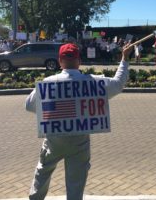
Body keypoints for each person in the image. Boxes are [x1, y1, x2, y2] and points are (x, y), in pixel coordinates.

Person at [25, 42, 133, 200]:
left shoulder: (48, 82)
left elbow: (29, 105)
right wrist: (124, 58)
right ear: (79, 61)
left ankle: (35, 198)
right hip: (79, 141)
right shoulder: (92, 82)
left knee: (43, 171)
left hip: (54, 139)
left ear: (60, 61)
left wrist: (50, 113)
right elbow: (117, 84)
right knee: (76, 181)